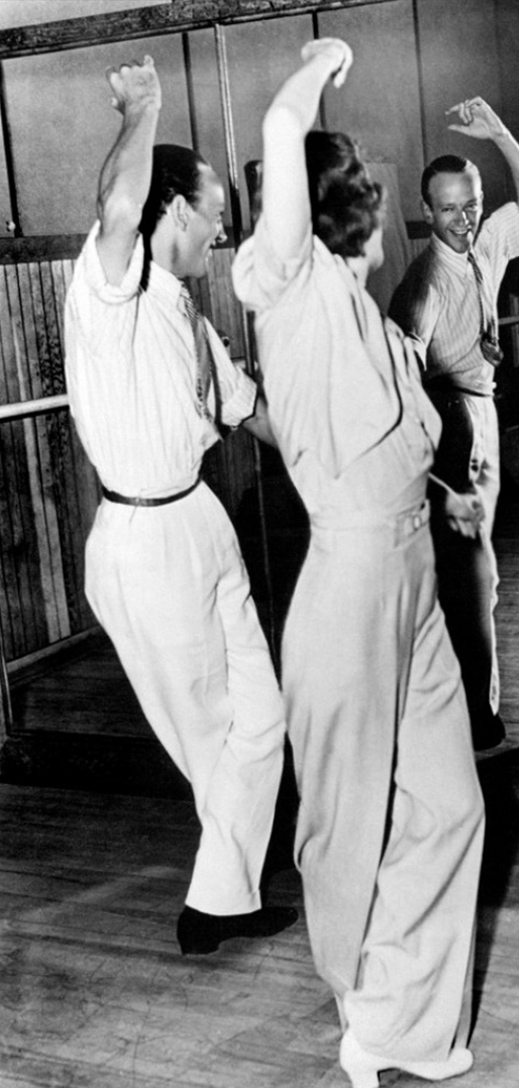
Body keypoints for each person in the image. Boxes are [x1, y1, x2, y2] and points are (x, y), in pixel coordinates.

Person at [231, 38, 486, 1088]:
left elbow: (387, 444)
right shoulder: (291, 294)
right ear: (359, 211)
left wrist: (444, 495)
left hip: (411, 572)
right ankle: (358, 1004)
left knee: (450, 805)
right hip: (346, 587)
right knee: (345, 823)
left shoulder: (366, 320)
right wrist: (320, 59)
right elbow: (281, 128)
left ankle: (404, 1019)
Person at [63, 56, 296, 955]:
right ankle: (214, 907)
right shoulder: (106, 293)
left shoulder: (189, 318)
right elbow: (116, 208)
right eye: (216, 214)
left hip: (200, 521)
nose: (223, 233)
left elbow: (251, 413)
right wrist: (144, 110)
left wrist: (347, 465)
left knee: (261, 717)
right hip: (143, 538)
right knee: (211, 738)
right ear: (174, 210)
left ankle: (224, 896)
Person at [389, 98, 519, 751]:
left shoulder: (484, 244)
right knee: (470, 578)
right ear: (425, 212)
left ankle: (456, 714)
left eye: (471, 205)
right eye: (448, 209)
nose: (462, 220)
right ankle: (475, 724)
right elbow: (400, 371)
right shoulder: (426, 278)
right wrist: (431, 454)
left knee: (473, 574)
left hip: (479, 411)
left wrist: (499, 132)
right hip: (450, 420)